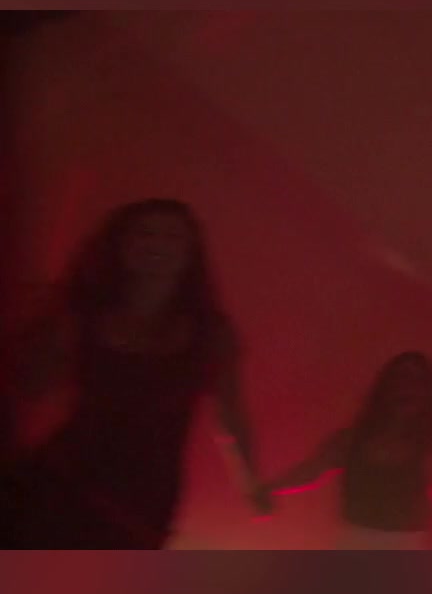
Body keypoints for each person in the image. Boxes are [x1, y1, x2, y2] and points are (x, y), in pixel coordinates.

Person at [2, 199, 270, 549]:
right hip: (67, 477)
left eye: (172, 236)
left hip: (147, 492)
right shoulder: (80, 321)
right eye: (145, 233)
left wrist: (250, 483)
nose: (157, 244)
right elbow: (31, 390)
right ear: (121, 244)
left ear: (190, 251)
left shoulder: (210, 334)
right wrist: (40, 336)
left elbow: (231, 416)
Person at [264, 351, 432, 550]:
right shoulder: (351, 440)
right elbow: (311, 470)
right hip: (357, 543)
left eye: (416, 381)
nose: (407, 386)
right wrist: (272, 487)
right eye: (401, 378)